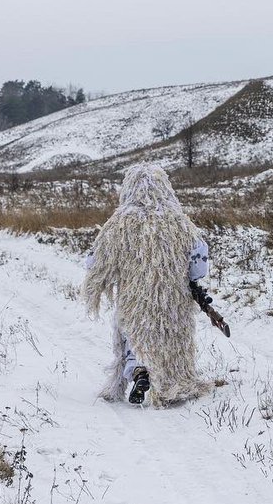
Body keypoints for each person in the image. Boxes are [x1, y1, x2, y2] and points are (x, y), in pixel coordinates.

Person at [82, 163, 214, 406]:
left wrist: (105, 277)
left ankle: (138, 371)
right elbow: (200, 261)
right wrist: (189, 280)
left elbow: (95, 261)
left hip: (134, 296)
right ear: (166, 188)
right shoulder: (181, 223)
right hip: (173, 298)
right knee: (171, 338)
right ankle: (170, 380)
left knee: (133, 333)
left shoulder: (119, 223)